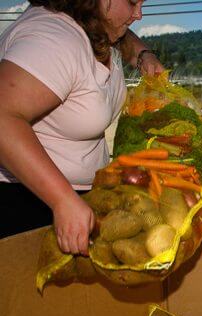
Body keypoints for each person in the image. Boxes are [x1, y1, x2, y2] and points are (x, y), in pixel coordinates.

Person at [0, 0, 164, 254]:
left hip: (75, 201)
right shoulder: (51, 41)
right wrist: (62, 200)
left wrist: (143, 55)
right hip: (26, 205)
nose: (139, 14)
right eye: (132, 2)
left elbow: (122, 35)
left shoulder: (96, 25)